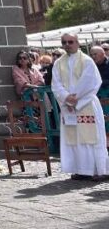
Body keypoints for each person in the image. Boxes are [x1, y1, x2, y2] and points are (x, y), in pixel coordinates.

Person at [51, 33, 108, 180]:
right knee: (74, 138)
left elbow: (91, 82)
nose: (67, 44)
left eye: (71, 41)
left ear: (77, 43)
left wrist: (75, 99)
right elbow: (55, 84)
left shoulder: (87, 61)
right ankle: (81, 169)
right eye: (64, 42)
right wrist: (66, 98)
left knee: (91, 137)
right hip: (68, 107)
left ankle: (98, 170)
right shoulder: (58, 63)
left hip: (86, 103)